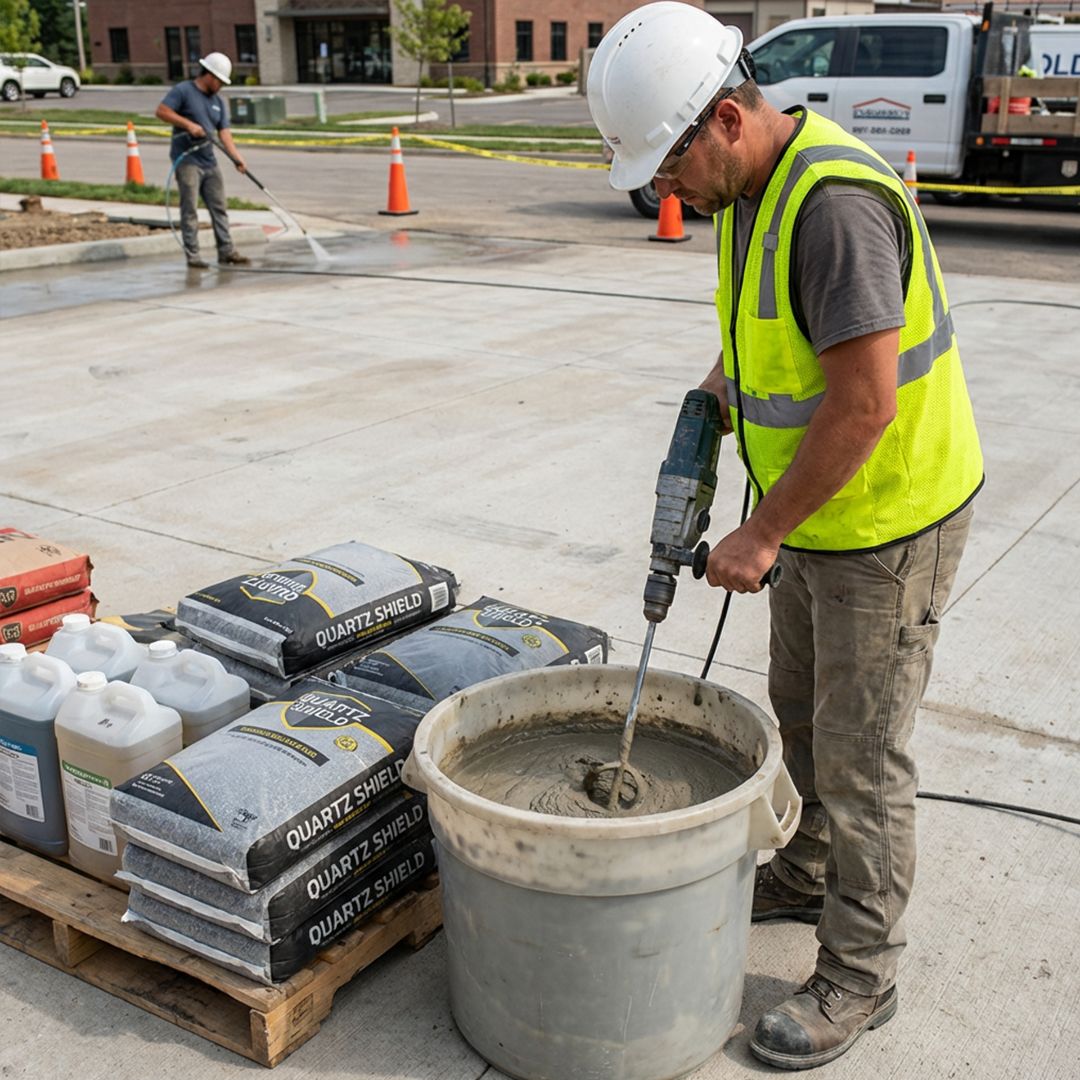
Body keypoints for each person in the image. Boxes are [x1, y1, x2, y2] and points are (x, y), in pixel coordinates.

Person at [588, 3, 983, 1070]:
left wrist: (759, 533)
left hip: (885, 523)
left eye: (666, 168)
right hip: (823, 511)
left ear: (723, 118)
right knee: (802, 716)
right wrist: (714, 401)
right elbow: (770, 344)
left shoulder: (831, 209)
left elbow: (863, 405)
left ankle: (862, 972)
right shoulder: (750, 192)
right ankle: (808, 871)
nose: (661, 193)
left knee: (864, 761)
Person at [156, 52, 251, 270]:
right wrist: (188, 125)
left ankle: (226, 251)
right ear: (209, 75)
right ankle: (193, 255)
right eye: (219, 81)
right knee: (189, 209)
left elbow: (224, 132)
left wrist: (237, 158)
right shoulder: (183, 91)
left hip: (209, 161)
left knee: (219, 208)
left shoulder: (218, 102)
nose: (220, 87)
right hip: (187, 160)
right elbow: (162, 111)